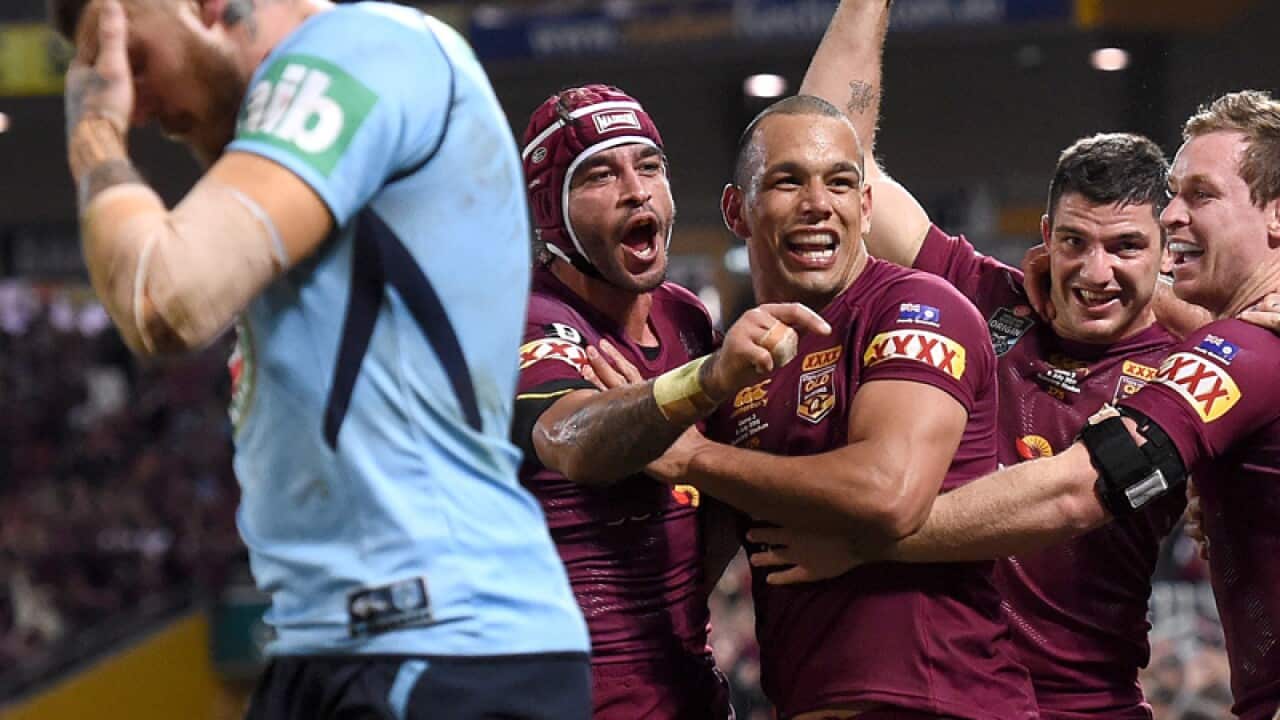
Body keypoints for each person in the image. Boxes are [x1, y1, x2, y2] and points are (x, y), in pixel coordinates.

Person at [51, 0, 596, 716]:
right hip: (343, 643)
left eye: (136, 61)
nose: (134, 103)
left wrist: (93, 134)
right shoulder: (305, 125)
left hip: (442, 645)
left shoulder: (363, 48)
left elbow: (165, 296)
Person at [760, 90, 1280, 720]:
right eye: (1173, 194)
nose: (1173, 216)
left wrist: (867, 536)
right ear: (1047, 238)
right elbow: (836, 135)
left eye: (1199, 195)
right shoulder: (1000, 301)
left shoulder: (1243, 348)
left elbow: (1090, 484)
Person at [621, 91, 1039, 719]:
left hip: (940, 702)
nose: (819, 204)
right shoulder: (741, 360)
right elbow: (697, 563)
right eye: (788, 182)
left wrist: (694, 458)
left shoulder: (918, 306)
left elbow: (887, 491)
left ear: (866, 207)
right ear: (737, 210)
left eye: (840, 183)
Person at [510, 83, 823, 719]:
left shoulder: (683, 316)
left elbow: (711, 486)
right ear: (550, 208)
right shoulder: (526, 318)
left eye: (650, 166)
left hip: (683, 680)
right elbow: (573, 443)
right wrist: (702, 382)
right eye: (599, 173)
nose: (636, 189)